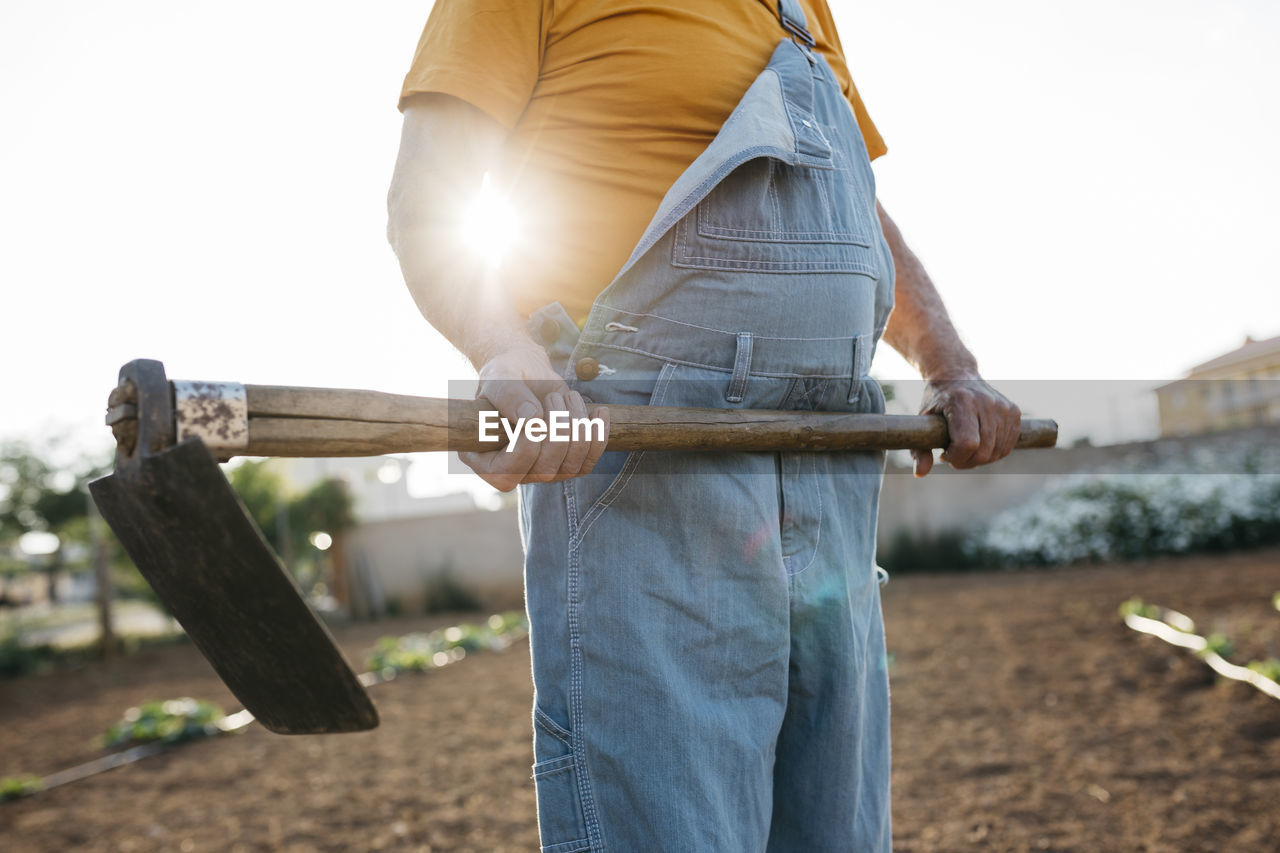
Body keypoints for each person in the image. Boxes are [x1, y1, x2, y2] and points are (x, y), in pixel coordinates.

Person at [387, 1, 1021, 849]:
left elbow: (855, 212)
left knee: (838, 832)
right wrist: (506, 351)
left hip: (828, 461)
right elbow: (431, 191)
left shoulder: (801, 9)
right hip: (647, 456)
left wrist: (952, 366)